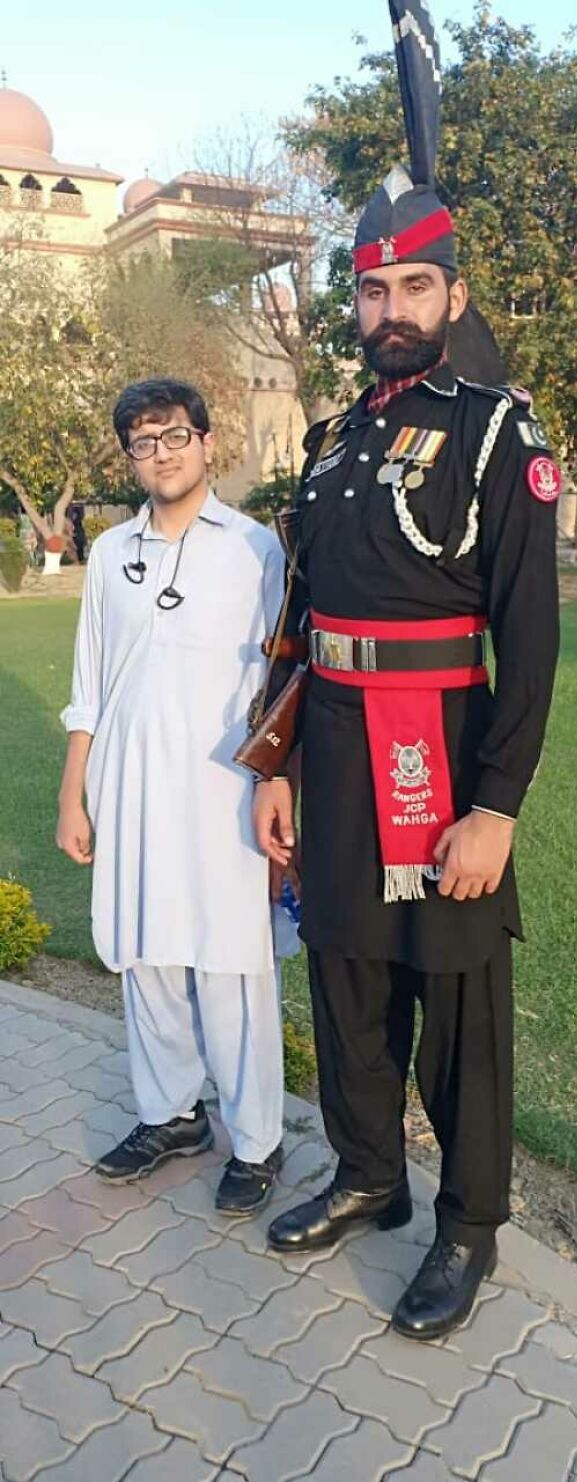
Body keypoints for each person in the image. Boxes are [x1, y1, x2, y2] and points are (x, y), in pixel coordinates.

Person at [253, 0, 560, 1340]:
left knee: (455, 999)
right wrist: (275, 765)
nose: (387, 309)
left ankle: (467, 1224)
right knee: (348, 972)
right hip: (328, 746)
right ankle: (369, 1172)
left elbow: (532, 629)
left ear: (453, 295)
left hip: (438, 737)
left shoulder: (497, 434)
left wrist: (496, 804)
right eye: (370, 289)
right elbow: (305, 611)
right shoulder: (328, 438)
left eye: (412, 287)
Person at [57, 376, 293, 1217]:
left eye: (174, 436)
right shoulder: (113, 557)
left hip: (226, 791)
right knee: (147, 955)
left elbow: (282, 679)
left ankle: (258, 1140)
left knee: (230, 961)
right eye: (143, 442)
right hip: (130, 787)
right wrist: (73, 794)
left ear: (206, 442)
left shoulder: (254, 548)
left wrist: (281, 781)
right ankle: (172, 1115)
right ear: (130, 456)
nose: (160, 454)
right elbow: (90, 684)